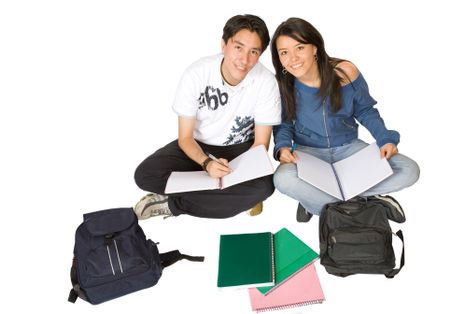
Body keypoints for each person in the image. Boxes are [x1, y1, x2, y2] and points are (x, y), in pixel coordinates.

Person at [271, 18, 420, 222]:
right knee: (283, 179)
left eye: (300, 47)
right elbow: (284, 123)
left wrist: (385, 139)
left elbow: (366, 110)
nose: (293, 58)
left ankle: (313, 201)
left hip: (349, 150)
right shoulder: (281, 83)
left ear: (314, 47)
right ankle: (367, 203)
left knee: (409, 170)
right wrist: (283, 147)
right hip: (308, 154)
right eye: (284, 52)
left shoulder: (345, 72)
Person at [133, 14, 281, 219]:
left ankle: (173, 204)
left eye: (253, 52)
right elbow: (185, 138)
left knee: (265, 188)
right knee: (145, 175)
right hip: (197, 146)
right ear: (224, 45)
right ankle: (228, 196)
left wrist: (240, 173)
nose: (244, 59)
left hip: (240, 151)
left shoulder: (266, 82)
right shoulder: (197, 73)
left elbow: (260, 145)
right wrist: (207, 164)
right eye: (238, 47)